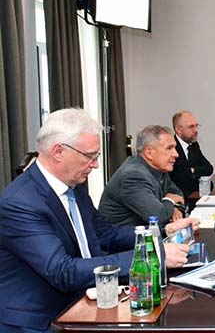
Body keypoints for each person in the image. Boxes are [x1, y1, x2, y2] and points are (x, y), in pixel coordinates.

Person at [0, 108, 198, 333]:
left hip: (84, 304)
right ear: (58, 152)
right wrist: (153, 256)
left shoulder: (73, 188)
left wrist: (162, 231)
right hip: (40, 321)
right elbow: (62, 271)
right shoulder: (20, 203)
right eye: (90, 156)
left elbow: (107, 234)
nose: (95, 165)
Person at [99, 125, 186, 228]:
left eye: (174, 148)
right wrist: (170, 200)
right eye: (169, 148)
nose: (176, 154)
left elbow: (177, 193)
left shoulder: (159, 168)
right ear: (149, 153)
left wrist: (175, 208)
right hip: (127, 236)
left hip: (150, 232)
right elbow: (158, 217)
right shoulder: (133, 176)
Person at [169, 111, 214, 198]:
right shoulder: (171, 146)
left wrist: (192, 170)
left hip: (193, 194)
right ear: (178, 129)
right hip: (179, 196)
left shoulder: (194, 145)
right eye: (191, 127)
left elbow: (209, 168)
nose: (196, 130)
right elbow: (177, 178)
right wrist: (193, 173)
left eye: (196, 126)